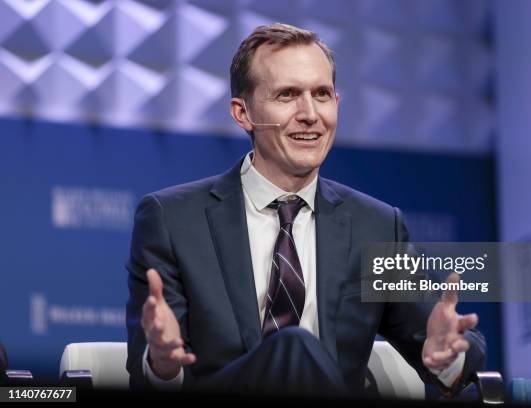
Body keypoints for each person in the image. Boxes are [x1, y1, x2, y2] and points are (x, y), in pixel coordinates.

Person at [126, 23, 485, 397]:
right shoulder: (173, 220)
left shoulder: (375, 227)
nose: (310, 114)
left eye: (322, 94)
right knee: (291, 346)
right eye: (287, 95)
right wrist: (163, 365)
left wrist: (448, 356)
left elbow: (446, 341)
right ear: (242, 112)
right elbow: (148, 370)